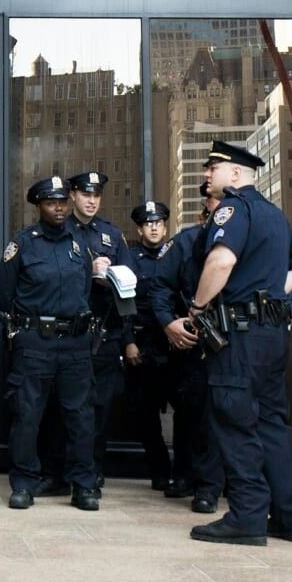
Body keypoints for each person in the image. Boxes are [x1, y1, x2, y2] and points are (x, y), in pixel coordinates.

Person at [187, 141, 292, 546]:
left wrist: (198, 306)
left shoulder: (233, 209)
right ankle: (291, 517)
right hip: (271, 335)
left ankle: (248, 517)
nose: (207, 175)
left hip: (238, 336)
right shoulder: (274, 215)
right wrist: (274, 293)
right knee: (273, 425)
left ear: (236, 174)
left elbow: (221, 261)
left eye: (214, 168)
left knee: (235, 422)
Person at [0, 177, 100, 511]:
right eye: (51, 202)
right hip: (35, 343)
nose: (59, 208)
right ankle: (24, 483)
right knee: (27, 416)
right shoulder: (23, 244)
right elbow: (6, 296)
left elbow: (85, 289)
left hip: (74, 343)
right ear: (38, 206)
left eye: (62, 202)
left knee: (80, 417)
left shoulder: (78, 245)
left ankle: (83, 485)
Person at [65, 170, 138, 494]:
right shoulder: (60, 231)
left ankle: (91, 471)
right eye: (85, 194)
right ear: (73, 196)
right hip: (71, 334)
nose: (92, 200)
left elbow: (129, 287)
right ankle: (63, 469)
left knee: (100, 410)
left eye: (96, 195)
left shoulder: (111, 234)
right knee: (66, 407)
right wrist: (87, 272)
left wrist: (127, 338)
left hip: (105, 335)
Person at [157, 183, 224, 514]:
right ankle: (187, 476)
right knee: (191, 412)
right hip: (193, 342)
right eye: (215, 204)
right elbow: (159, 287)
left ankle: (213, 485)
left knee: (222, 414)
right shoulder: (185, 242)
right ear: (204, 210)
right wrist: (169, 323)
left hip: (234, 343)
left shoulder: (248, 239)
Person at [127, 200, 175, 492]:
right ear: (140, 229)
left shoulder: (177, 254)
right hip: (144, 341)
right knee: (146, 414)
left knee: (186, 411)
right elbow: (124, 303)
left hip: (174, 342)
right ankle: (160, 471)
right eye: (148, 223)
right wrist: (129, 341)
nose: (154, 227)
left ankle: (184, 472)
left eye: (158, 223)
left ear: (166, 227)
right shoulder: (131, 259)